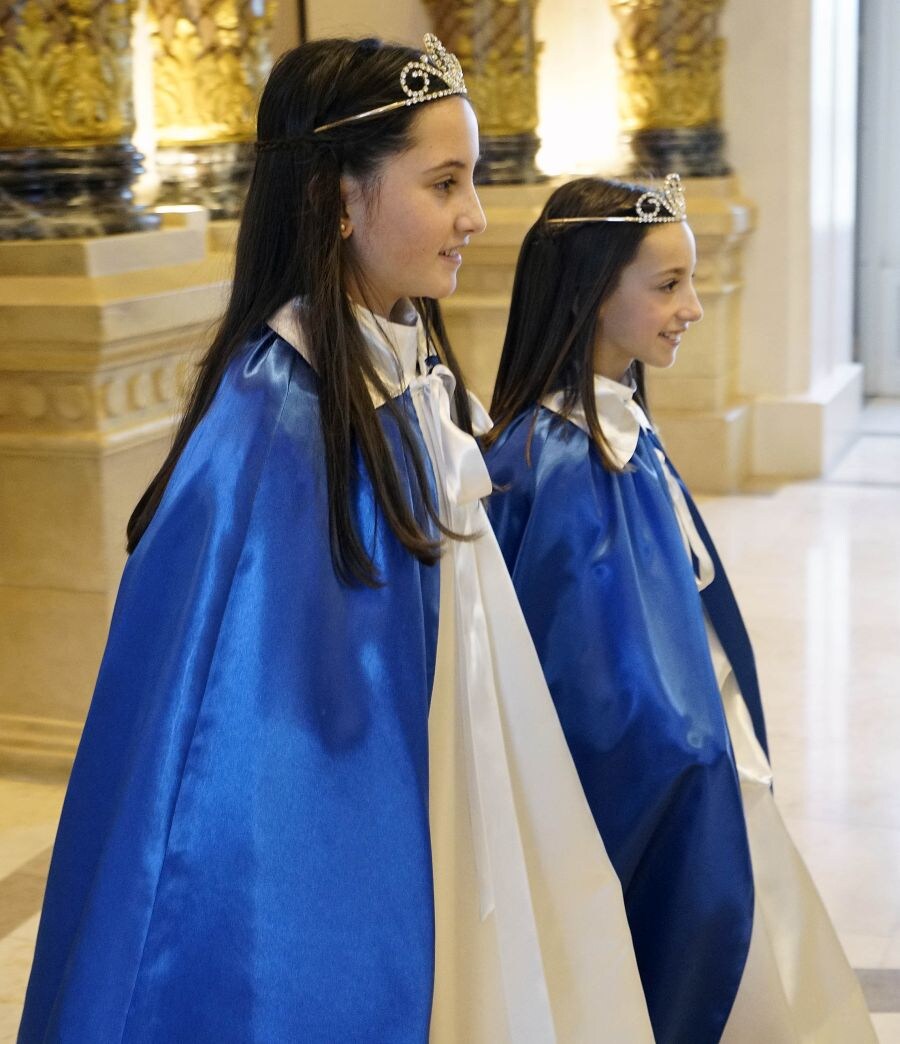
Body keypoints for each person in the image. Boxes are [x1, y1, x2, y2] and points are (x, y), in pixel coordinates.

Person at [18, 38, 653, 1043]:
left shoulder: (398, 380)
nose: (475, 218)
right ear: (340, 199)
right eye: (444, 183)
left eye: (473, 180)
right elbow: (269, 800)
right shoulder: (279, 425)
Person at [483, 174, 876, 1044]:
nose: (693, 306)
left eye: (688, 280)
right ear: (589, 291)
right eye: (667, 285)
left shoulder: (618, 429)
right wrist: (696, 757)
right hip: (671, 780)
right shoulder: (556, 460)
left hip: (709, 751)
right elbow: (586, 677)